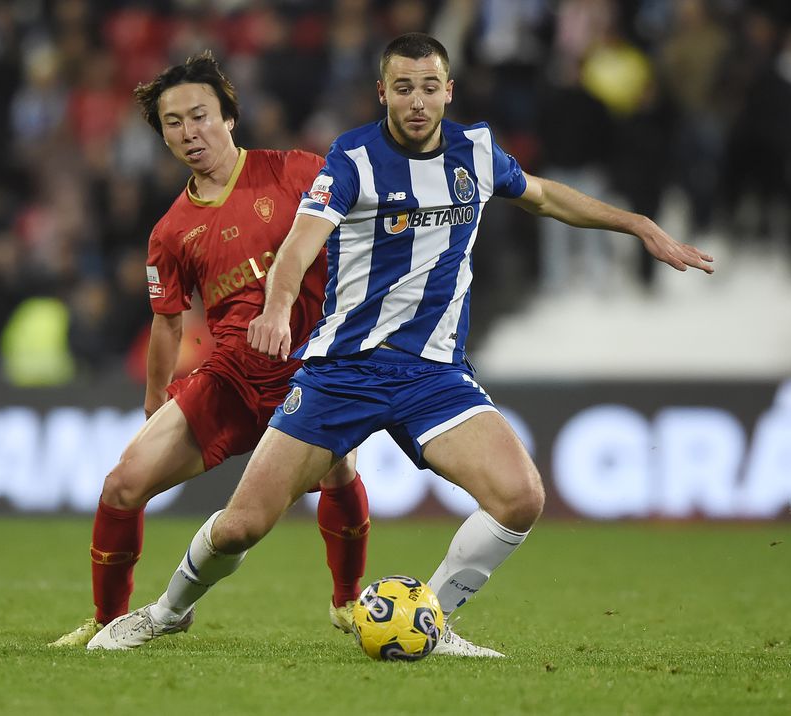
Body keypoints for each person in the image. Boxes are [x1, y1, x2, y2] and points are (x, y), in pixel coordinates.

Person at [88, 33, 714, 656]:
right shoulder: (352, 159)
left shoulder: (477, 150)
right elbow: (300, 245)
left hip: (432, 375)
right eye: (404, 88)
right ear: (383, 92)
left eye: (430, 86)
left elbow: (546, 196)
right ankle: (165, 613)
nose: (418, 101)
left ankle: (431, 624)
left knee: (520, 498)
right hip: (340, 371)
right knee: (241, 526)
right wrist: (277, 309)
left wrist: (638, 224)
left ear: (449, 91)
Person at [50, 53, 371, 647]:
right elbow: (167, 325)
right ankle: (106, 621)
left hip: (311, 374)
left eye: (199, 116)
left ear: (229, 117)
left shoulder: (296, 172)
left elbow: (366, 226)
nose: (188, 132)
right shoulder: (171, 231)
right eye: (173, 123)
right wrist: (154, 403)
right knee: (123, 485)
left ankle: (348, 602)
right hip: (230, 377)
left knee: (340, 470)